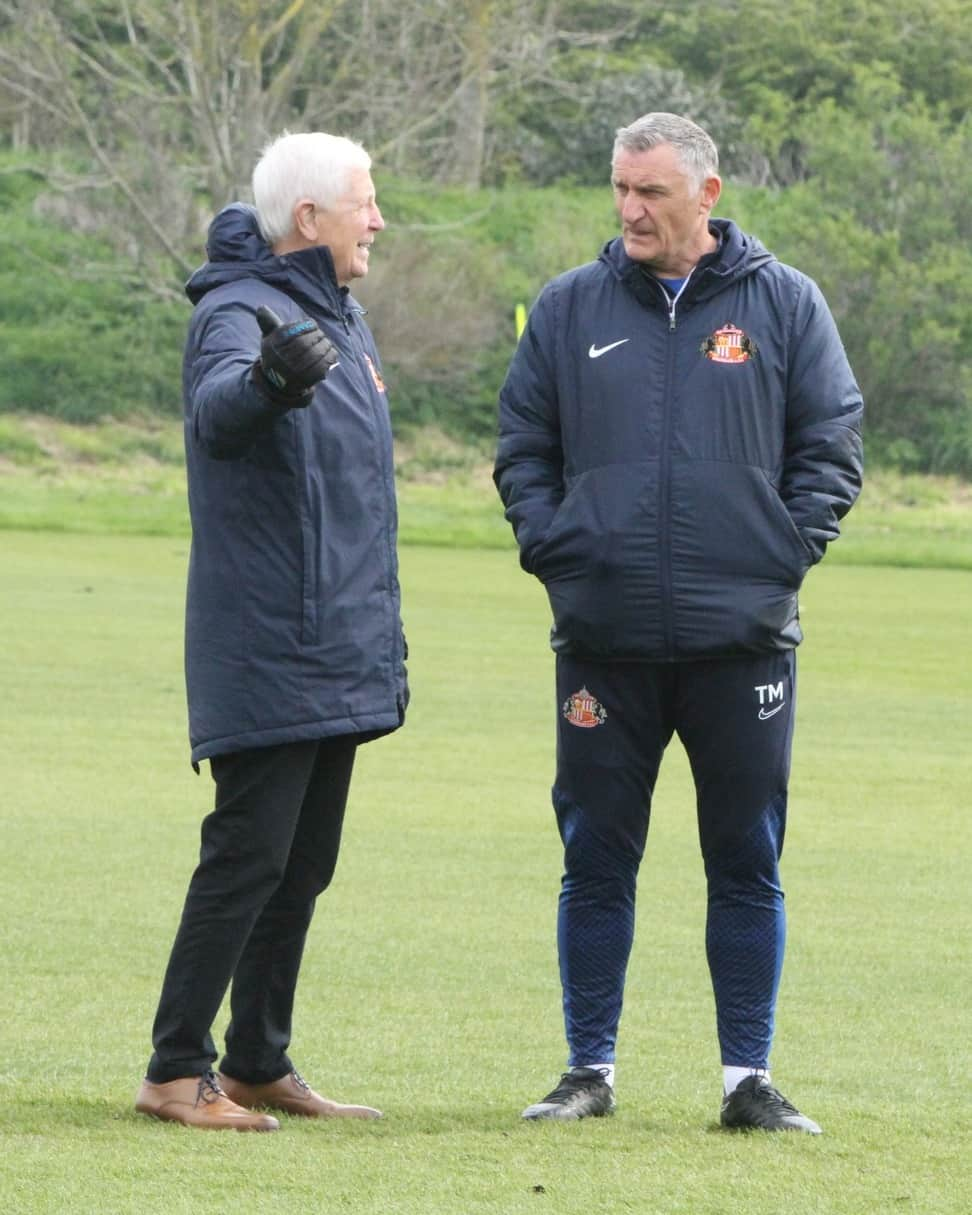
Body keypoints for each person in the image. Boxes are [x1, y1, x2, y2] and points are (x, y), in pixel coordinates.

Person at [494, 113, 862, 1133]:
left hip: (740, 641)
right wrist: (558, 546)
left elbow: (832, 445)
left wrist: (778, 552)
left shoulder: (785, 304)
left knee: (745, 858)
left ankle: (748, 1080)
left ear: (705, 192)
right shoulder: (570, 307)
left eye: (650, 191)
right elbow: (522, 445)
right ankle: (587, 1071)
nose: (629, 209)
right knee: (596, 859)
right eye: (620, 188)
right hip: (602, 642)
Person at [135, 132, 408, 1131]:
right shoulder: (237, 313)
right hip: (269, 641)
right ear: (310, 219)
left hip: (338, 642)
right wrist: (269, 384)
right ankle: (175, 1068)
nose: (377, 219)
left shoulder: (344, 318)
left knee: (303, 864)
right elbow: (217, 416)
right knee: (247, 855)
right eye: (365, 203)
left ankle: (256, 1061)